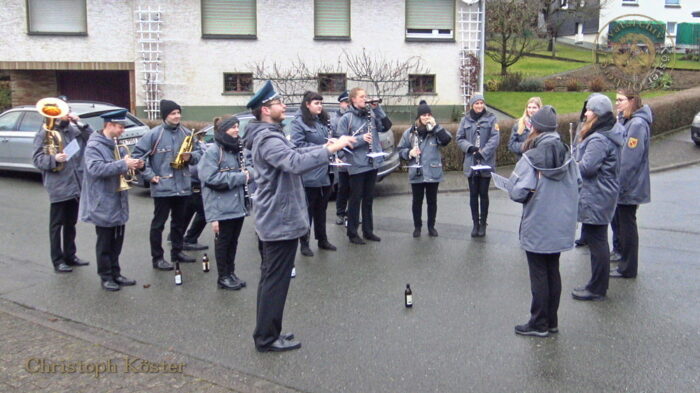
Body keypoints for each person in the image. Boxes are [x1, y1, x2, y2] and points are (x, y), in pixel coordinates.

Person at [245, 81, 355, 352]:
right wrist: (329, 150)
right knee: (275, 280)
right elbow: (293, 163)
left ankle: (267, 332)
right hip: (278, 219)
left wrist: (326, 146)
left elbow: (294, 153)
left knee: (271, 277)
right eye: (278, 103)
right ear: (265, 109)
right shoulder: (267, 137)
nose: (283, 106)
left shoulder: (270, 134)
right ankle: (267, 338)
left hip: (276, 217)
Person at [508, 105, 580, 337]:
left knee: (539, 274)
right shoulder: (568, 153)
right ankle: (552, 321)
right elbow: (578, 184)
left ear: (535, 129)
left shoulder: (530, 157)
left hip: (538, 223)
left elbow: (518, 191)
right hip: (560, 223)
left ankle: (539, 323)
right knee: (552, 271)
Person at [132, 99, 201, 271]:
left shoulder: (186, 133)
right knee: (158, 224)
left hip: (183, 186)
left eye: (178, 113)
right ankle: (157, 258)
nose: (177, 116)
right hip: (163, 187)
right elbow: (138, 156)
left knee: (178, 222)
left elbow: (200, 153)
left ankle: (177, 252)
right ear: (165, 116)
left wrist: (191, 156)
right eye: (173, 113)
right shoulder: (154, 134)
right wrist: (150, 176)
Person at [79, 110, 143, 291]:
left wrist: (133, 165)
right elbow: (95, 169)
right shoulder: (94, 146)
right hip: (102, 201)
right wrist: (124, 164)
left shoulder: (114, 143)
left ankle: (116, 272)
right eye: (120, 127)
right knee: (105, 242)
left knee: (117, 240)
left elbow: (119, 166)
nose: (123, 130)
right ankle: (105, 276)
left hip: (117, 200)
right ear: (109, 125)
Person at [571, 95, 624, 301]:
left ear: (598, 113)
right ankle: (596, 284)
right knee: (597, 239)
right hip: (604, 192)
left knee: (597, 241)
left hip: (597, 194)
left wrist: (571, 165)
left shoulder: (599, 139)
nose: (585, 113)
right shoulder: (608, 132)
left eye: (589, 110)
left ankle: (597, 288)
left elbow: (587, 168)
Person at [32, 97, 92, 273]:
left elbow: (93, 137)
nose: (67, 114)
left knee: (71, 222)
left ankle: (70, 255)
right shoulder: (44, 133)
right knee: (57, 225)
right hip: (58, 184)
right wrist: (53, 159)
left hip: (75, 183)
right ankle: (57, 260)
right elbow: (37, 159)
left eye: (68, 110)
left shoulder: (72, 130)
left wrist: (80, 122)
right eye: (64, 111)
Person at [198, 116, 253, 290]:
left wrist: (249, 173)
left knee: (233, 241)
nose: (237, 130)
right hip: (222, 205)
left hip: (238, 204)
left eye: (237, 126)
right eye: (232, 128)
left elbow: (251, 166)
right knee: (223, 242)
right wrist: (241, 177)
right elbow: (209, 178)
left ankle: (231, 272)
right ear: (223, 131)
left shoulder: (238, 148)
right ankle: (223, 277)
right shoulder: (213, 151)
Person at [335, 87, 392, 244]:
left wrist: (377, 109)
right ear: (353, 99)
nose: (364, 99)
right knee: (355, 199)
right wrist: (360, 139)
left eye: (365, 96)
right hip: (357, 164)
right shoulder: (347, 118)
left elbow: (386, 126)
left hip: (372, 162)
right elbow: (340, 141)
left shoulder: (371, 115)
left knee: (368, 199)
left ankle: (368, 231)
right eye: (361, 97)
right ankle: (352, 233)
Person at [611, 89, 652, 279]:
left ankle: (627, 268)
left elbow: (629, 161)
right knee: (623, 225)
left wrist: (618, 186)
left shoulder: (637, 125)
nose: (617, 103)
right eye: (616, 100)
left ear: (632, 101)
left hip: (629, 187)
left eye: (620, 100)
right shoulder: (627, 120)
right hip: (626, 186)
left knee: (627, 227)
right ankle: (624, 264)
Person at [291, 91, 337, 256]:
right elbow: (297, 147)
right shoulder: (299, 122)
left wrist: (334, 145)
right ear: (307, 104)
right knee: (307, 210)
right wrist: (323, 147)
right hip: (309, 172)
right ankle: (304, 243)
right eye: (316, 103)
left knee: (321, 208)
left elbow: (330, 139)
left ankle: (322, 239)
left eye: (321, 103)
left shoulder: (323, 120)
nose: (320, 106)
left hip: (326, 171)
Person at [397, 100, 452, 237]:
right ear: (418, 117)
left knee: (432, 201)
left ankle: (431, 226)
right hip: (417, 171)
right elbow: (400, 150)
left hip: (433, 171)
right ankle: (417, 227)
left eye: (428, 114)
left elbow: (446, 140)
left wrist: (436, 126)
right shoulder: (410, 132)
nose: (426, 117)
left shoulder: (435, 130)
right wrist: (409, 153)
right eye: (423, 115)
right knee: (417, 201)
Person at [456, 93, 500, 238]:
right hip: (471, 163)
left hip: (485, 162)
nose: (479, 106)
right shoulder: (465, 120)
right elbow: (459, 138)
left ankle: (483, 223)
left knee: (484, 194)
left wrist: (483, 152)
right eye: (476, 103)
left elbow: (495, 138)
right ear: (472, 105)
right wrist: (470, 148)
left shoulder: (491, 118)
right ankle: (475, 223)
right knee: (473, 195)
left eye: (481, 103)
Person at [332, 90, 351, 226]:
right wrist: (337, 156)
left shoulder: (354, 116)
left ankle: (352, 214)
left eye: (350, 102)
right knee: (342, 188)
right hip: (342, 158)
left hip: (355, 159)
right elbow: (331, 140)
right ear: (341, 103)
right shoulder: (334, 119)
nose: (348, 105)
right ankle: (340, 213)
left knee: (355, 189)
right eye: (346, 102)